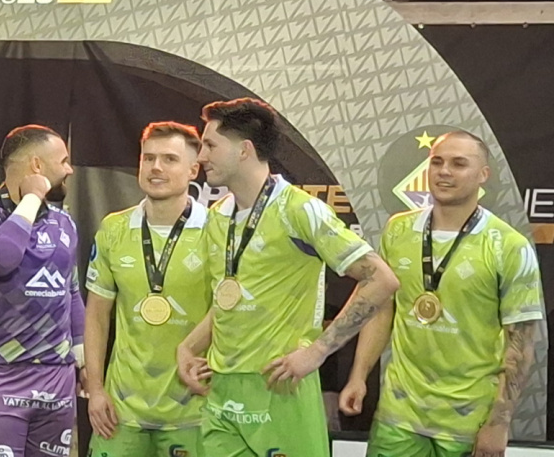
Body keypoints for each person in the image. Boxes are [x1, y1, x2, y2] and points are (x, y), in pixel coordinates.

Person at [175, 99, 397, 457]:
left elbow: (382, 280)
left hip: (280, 384)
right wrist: (189, 346)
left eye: (210, 145)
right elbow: (232, 299)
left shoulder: (299, 209)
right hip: (222, 390)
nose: (201, 157)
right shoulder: (218, 215)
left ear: (244, 150)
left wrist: (317, 352)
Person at [339, 132, 543, 457]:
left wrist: (499, 422)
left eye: (459, 164)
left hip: (468, 422)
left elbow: (520, 342)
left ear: (483, 175)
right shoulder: (398, 229)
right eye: (437, 162)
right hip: (398, 415)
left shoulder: (509, 246)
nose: (444, 171)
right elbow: (383, 309)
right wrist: (359, 375)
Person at [83, 124, 226, 457]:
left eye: (169, 159)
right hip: (120, 413)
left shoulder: (217, 230)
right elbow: (96, 316)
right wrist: (96, 390)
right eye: (148, 158)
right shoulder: (114, 228)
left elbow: (228, 310)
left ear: (193, 170)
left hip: (194, 410)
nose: (156, 167)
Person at [0, 125, 81, 457]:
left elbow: (71, 291)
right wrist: (31, 197)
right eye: (63, 161)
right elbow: (0, 258)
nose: (70, 170)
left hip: (56, 374)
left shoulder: (64, 222)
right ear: (37, 166)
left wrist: (81, 359)